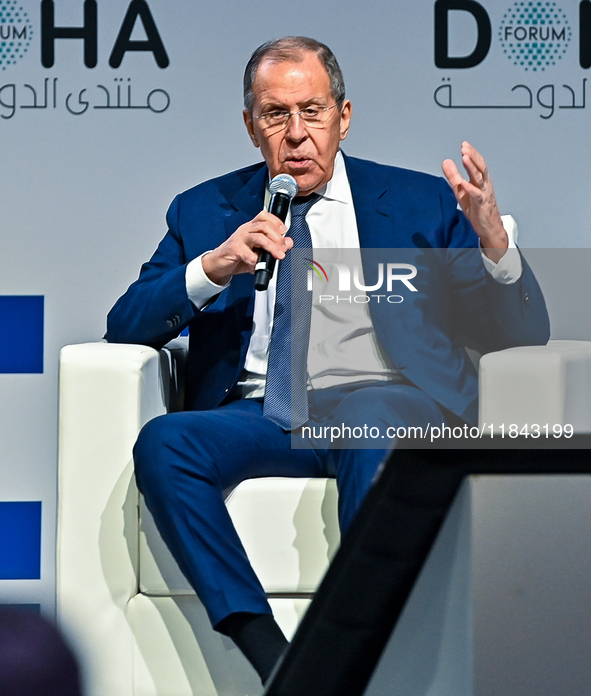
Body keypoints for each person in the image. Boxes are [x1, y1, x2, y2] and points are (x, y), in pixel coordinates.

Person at [106, 36, 549, 685]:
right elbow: (126, 325)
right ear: (250, 125)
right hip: (262, 413)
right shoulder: (204, 210)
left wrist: (492, 241)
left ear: (342, 116)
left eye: (311, 112)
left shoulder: (422, 204)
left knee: (371, 415)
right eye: (275, 114)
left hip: (386, 399)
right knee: (165, 443)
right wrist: (213, 266)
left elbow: (520, 330)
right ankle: (278, 662)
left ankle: (369, 645)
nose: (296, 134)